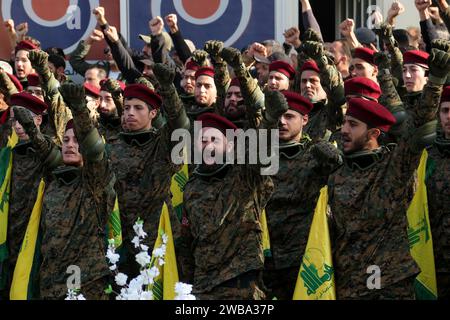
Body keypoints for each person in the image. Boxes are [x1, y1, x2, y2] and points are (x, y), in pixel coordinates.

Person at [327, 44, 450, 299]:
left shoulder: (393, 169)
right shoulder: (337, 173)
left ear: (373, 134)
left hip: (389, 286)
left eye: (353, 125)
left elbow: (416, 129)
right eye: (345, 123)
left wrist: (436, 81)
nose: (344, 130)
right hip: (347, 285)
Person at [108, 64, 190, 278]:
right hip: (120, 235)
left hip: (157, 235)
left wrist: (167, 88)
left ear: (153, 113)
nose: (130, 113)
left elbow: (180, 124)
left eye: (138, 108)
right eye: (126, 108)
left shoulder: (162, 143)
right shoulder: (112, 145)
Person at [263, 90, 342, 300]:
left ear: (305, 119)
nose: (281, 122)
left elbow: (340, 181)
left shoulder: (316, 154)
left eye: (289, 116)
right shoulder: (260, 155)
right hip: (263, 254)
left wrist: (333, 159)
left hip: (302, 255)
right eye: (278, 116)